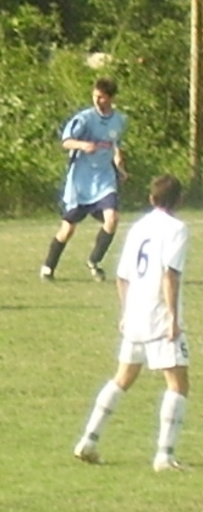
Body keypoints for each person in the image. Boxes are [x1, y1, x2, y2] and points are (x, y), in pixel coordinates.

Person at [73, 174, 190, 472]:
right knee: (177, 384)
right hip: (160, 316)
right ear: (179, 200)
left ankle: (89, 439)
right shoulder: (177, 229)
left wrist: (126, 312)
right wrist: (173, 318)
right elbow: (169, 273)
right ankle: (164, 455)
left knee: (123, 377)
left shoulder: (138, 228)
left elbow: (123, 276)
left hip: (136, 314)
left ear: (151, 199)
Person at [40, 77, 128, 281]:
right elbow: (66, 141)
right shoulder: (85, 119)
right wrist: (82, 145)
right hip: (81, 180)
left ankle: (94, 261)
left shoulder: (119, 120)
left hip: (104, 179)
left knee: (112, 218)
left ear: (111, 98)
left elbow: (116, 147)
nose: (97, 100)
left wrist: (120, 169)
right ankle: (48, 266)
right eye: (95, 96)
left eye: (102, 97)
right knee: (68, 228)